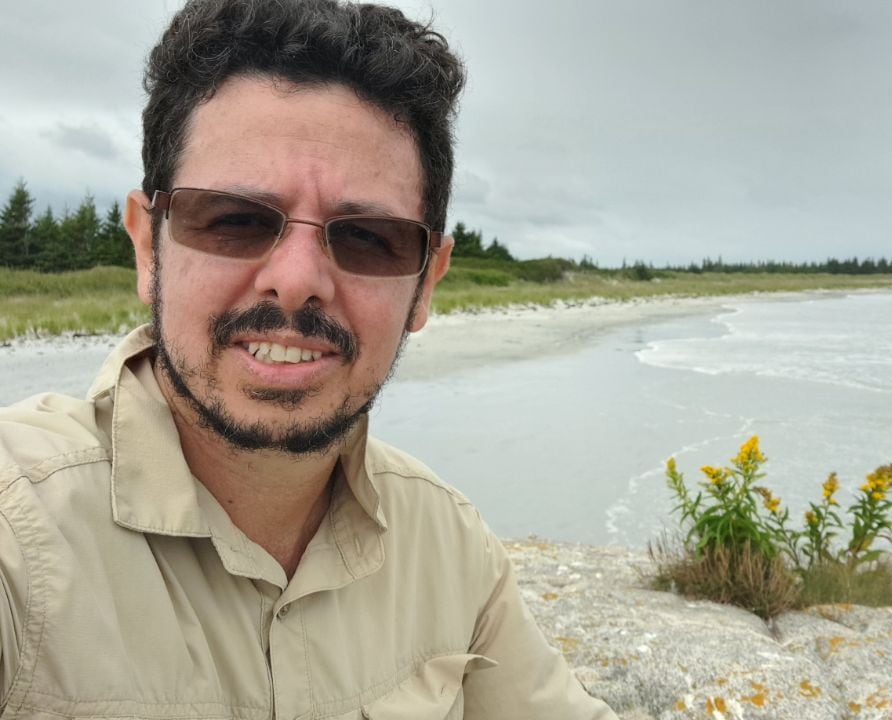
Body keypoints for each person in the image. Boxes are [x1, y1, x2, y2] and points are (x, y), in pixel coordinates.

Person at [0, 1, 617, 717]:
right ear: (148, 246)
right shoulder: (21, 537)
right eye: (235, 220)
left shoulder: (450, 548)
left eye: (366, 238)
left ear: (426, 285)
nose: (295, 281)